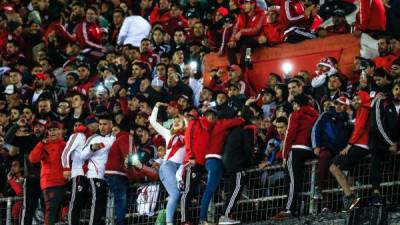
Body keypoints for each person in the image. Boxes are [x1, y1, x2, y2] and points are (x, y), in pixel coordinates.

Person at [274, 94, 319, 219]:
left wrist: (285, 154)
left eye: (294, 104)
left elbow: (290, 134)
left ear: (297, 104)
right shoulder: (315, 116)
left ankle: (288, 209)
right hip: (309, 149)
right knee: (302, 180)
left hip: (296, 149)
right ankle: (299, 208)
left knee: (293, 180)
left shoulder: (295, 115)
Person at [329, 91, 371, 211]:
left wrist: (349, 145)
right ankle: (351, 201)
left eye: (358, 99)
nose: (355, 101)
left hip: (360, 145)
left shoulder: (364, 109)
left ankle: (351, 197)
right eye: (354, 99)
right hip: (360, 145)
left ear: (364, 99)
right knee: (348, 171)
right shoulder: (361, 110)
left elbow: (360, 129)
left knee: (334, 167)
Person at [149, 102, 187, 225]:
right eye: (174, 121)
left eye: (179, 121)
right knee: (175, 193)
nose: (176, 123)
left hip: (181, 169)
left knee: (179, 195)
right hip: (168, 166)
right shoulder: (168, 134)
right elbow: (153, 122)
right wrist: (156, 106)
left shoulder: (188, 137)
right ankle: (169, 223)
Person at [310, 96, 352, 201]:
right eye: (337, 103)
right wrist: (316, 145)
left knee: (332, 176)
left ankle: (330, 204)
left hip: (339, 151)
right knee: (324, 160)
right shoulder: (326, 115)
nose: (338, 106)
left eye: (342, 104)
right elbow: (316, 129)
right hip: (326, 147)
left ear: (347, 107)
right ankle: (317, 188)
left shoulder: (348, 121)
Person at [29, 121, 67, 225]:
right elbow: (33, 159)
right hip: (50, 183)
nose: (52, 132)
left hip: (65, 182)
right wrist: (41, 144)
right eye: (50, 130)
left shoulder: (66, 144)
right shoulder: (44, 145)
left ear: (61, 130)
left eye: (54, 129)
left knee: (62, 212)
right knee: (51, 211)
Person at [369, 80, 400, 205]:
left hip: (396, 143)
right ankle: (376, 194)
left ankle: (393, 197)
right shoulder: (382, 102)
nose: (399, 92)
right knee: (375, 158)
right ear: (392, 90)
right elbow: (377, 124)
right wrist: (389, 143)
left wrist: (397, 144)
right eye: (397, 89)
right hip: (380, 141)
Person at [81, 114, 116, 225]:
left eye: (105, 124)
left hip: (109, 178)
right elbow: (82, 155)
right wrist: (91, 148)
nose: (102, 127)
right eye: (100, 124)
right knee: (97, 204)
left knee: (104, 207)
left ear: (111, 125)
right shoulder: (94, 138)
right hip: (95, 176)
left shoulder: (115, 138)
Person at [61, 122, 91, 225]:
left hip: (88, 174)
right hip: (78, 172)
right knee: (76, 202)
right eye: (75, 124)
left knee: (83, 203)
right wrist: (66, 168)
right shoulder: (77, 135)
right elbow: (66, 152)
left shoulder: (92, 137)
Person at [227, 0, 265, 68]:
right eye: (243, 3)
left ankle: (243, 66)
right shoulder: (241, 15)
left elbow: (256, 29)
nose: (244, 5)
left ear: (253, 4)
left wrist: (242, 32)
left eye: (246, 3)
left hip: (254, 39)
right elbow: (235, 29)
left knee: (246, 46)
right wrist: (232, 40)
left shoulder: (261, 14)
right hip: (243, 40)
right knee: (229, 46)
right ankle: (234, 68)